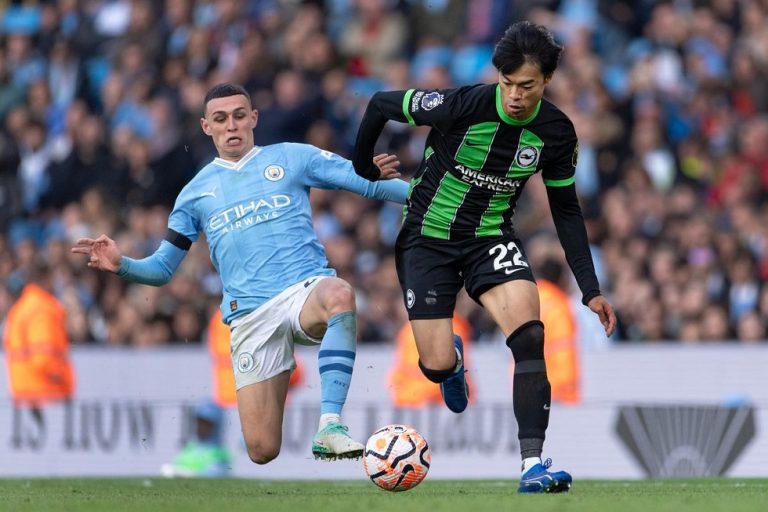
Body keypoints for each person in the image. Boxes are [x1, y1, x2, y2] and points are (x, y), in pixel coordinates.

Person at [72, 83, 409, 464]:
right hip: (250, 316)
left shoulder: (292, 157)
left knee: (340, 294)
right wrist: (123, 265)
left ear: (253, 118)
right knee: (262, 449)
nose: (230, 125)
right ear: (206, 126)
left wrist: (424, 194)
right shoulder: (194, 195)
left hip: (304, 290)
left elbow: (367, 182)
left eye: (238, 115)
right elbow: (164, 267)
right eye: (220, 118)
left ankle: (330, 425)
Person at [352, 21, 616, 493]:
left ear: (547, 80)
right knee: (433, 364)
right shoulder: (462, 104)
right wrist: (362, 164)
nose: (514, 95)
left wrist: (590, 289)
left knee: (530, 334)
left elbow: (566, 210)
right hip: (427, 237)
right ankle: (450, 362)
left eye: (526, 85)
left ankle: (532, 465)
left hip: (489, 239)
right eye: (507, 82)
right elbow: (379, 104)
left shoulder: (556, 133)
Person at [3, 258, 75, 425]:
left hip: (23, 391)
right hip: (45, 393)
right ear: (46, 278)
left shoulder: (20, 308)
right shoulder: (42, 308)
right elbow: (43, 355)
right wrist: (59, 377)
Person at [161, 400, 233, 478]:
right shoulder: (190, 447)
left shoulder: (219, 453)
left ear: (216, 426)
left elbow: (216, 474)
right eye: (199, 422)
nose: (200, 426)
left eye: (206, 424)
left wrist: (184, 473)